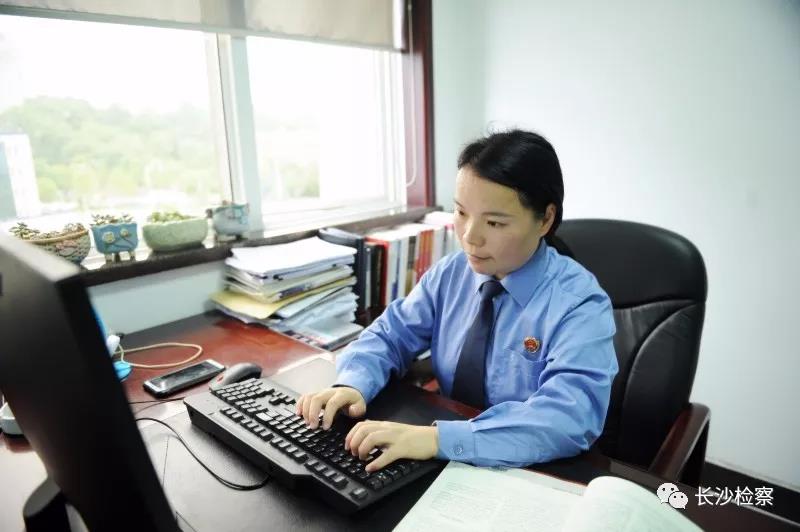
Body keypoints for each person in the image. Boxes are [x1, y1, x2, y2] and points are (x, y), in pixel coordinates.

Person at [296, 129, 618, 473]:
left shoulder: (580, 304)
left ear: (546, 219)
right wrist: (354, 383)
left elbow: (568, 417)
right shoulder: (452, 272)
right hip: (446, 455)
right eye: (461, 212)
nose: (470, 237)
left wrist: (438, 440)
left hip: (530, 469)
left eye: (494, 222)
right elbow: (391, 334)